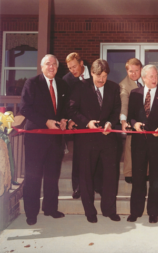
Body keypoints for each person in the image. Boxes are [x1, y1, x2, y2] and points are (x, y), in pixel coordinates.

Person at [67, 59, 121, 223]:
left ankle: (109, 210)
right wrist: (86, 122)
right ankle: (90, 211)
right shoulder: (80, 86)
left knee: (111, 176)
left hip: (108, 139)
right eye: (98, 76)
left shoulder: (113, 87)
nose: (101, 80)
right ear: (91, 73)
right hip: (87, 140)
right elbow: (72, 109)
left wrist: (110, 123)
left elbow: (116, 109)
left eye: (104, 76)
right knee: (86, 177)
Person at [20, 54, 68, 226]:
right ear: (42, 66)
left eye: (54, 64)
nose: (51, 67)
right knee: (33, 177)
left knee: (52, 176)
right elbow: (25, 108)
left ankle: (50, 208)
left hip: (55, 140)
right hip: (36, 139)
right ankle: (31, 214)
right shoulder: (32, 83)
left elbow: (64, 110)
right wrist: (45, 122)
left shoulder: (62, 84)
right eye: (48, 64)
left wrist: (64, 120)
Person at [126, 65, 158, 224]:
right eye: (151, 76)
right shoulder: (134, 94)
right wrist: (135, 124)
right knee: (138, 178)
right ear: (143, 78)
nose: (154, 79)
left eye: (156, 76)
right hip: (139, 142)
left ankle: (153, 212)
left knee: (157, 178)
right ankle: (135, 211)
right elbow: (130, 116)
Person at [63, 52, 91, 199]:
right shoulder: (67, 80)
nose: (72, 70)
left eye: (74, 67)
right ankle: (77, 187)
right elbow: (66, 103)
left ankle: (94, 186)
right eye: (69, 68)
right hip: (78, 122)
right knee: (79, 156)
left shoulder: (94, 74)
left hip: (93, 122)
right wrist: (69, 119)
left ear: (81, 64)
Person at [119, 58, 144, 184]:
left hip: (146, 119)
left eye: (136, 70)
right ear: (127, 71)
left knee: (147, 146)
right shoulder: (124, 85)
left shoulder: (146, 80)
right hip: (131, 119)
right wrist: (123, 120)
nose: (134, 73)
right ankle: (128, 173)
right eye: (130, 71)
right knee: (130, 146)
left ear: (141, 69)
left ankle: (147, 172)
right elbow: (124, 103)